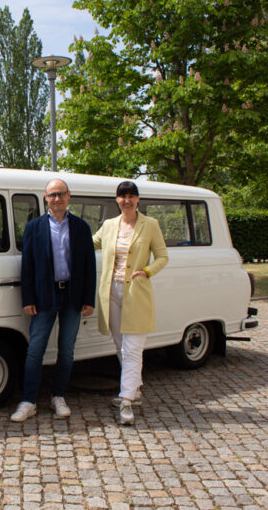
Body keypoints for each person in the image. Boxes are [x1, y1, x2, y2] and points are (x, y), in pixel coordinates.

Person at [10, 179, 96, 422]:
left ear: (69, 196)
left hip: (73, 296)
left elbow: (90, 265)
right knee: (35, 350)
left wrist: (88, 299)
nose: (57, 198)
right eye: (52, 195)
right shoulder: (34, 227)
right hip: (44, 296)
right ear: (45, 198)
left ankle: (58, 396)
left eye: (61, 194)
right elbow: (27, 267)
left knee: (66, 351)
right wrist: (28, 299)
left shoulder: (81, 227)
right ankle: (29, 401)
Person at [93, 181, 168, 425]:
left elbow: (162, 257)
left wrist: (147, 271)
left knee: (132, 348)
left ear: (138, 199)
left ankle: (126, 400)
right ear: (116, 200)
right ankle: (134, 390)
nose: (127, 200)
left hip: (137, 292)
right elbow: (89, 243)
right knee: (119, 343)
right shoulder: (109, 225)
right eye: (122, 196)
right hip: (111, 293)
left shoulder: (150, 225)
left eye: (131, 196)